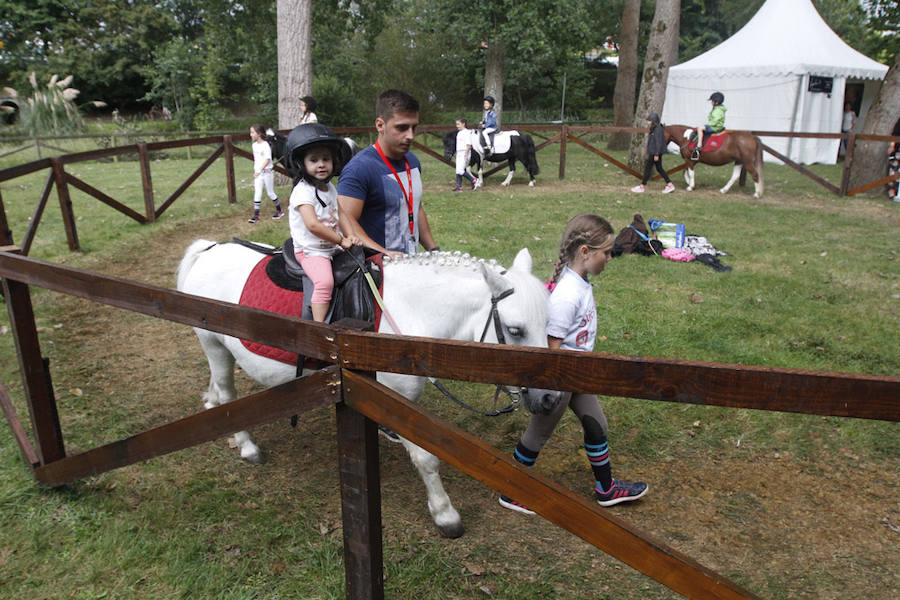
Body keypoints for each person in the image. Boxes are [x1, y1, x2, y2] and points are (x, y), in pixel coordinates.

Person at [499, 214, 649, 515]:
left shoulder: (579, 282)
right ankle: (510, 490)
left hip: (578, 375)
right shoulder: (567, 295)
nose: (609, 258)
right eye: (605, 253)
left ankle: (606, 489)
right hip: (561, 379)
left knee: (598, 426)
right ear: (585, 252)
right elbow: (552, 345)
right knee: (537, 435)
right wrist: (554, 384)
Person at [338, 89, 438, 256]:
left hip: (411, 265)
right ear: (380, 125)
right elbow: (345, 222)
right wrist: (385, 254)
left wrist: (434, 251)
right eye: (402, 128)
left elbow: (415, 207)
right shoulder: (359, 169)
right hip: (377, 270)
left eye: (414, 127)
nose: (410, 136)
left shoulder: (412, 162)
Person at [286, 124, 365, 322]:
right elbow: (313, 225)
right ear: (301, 164)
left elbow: (341, 214)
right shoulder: (302, 192)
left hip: (331, 245)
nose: (321, 164)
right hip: (312, 250)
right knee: (324, 282)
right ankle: (318, 327)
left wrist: (350, 235)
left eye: (326, 159)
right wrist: (340, 240)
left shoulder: (328, 187)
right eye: (313, 160)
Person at [631, 113, 675, 194]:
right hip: (654, 151)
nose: (648, 122)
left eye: (650, 121)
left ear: (653, 121)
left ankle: (642, 186)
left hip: (655, 152)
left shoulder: (657, 129)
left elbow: (658, 142)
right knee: (659, 168)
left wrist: (656, 154)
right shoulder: (655, 128)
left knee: (648, 168)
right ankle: (670, 184)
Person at [248, 124, 284, 223]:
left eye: (252, 132)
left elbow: (267, 160)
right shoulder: (254, 145)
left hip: (267, 173)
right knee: (257, 192)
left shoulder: (266, 145)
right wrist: (256, 171)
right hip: (258, 173)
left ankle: (280, 211)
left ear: (259, 134)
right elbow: (257, 160)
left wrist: (259, 170)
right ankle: (256, 215)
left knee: (270, 193)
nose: (250, 134)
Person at [693, 91, 726, 160]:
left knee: (700, 128)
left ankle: (699, 145)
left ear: (716, 102)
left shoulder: (718, 110)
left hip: (715, 127)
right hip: (715, 125)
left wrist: (705, 125)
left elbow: (715, 121)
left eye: (712, 101)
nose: (711, 102)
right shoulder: (718, 109)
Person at [453, 117, 480, 191]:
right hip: (459, 152)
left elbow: (468, 145)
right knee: (458, 170)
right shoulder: (459, 133)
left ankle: (474, 180)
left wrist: (466, 154)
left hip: (464, 152)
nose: (457, 126)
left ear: (463, 124)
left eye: (458, 124)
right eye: (456, 124)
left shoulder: (467, 132)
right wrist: (456, 152)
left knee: (460, 170)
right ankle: (459, 187)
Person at [889, 118, 900, 202]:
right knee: (894, 170)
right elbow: (895, 133)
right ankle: (893, 194)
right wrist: (892, 145)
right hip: (898, 150)